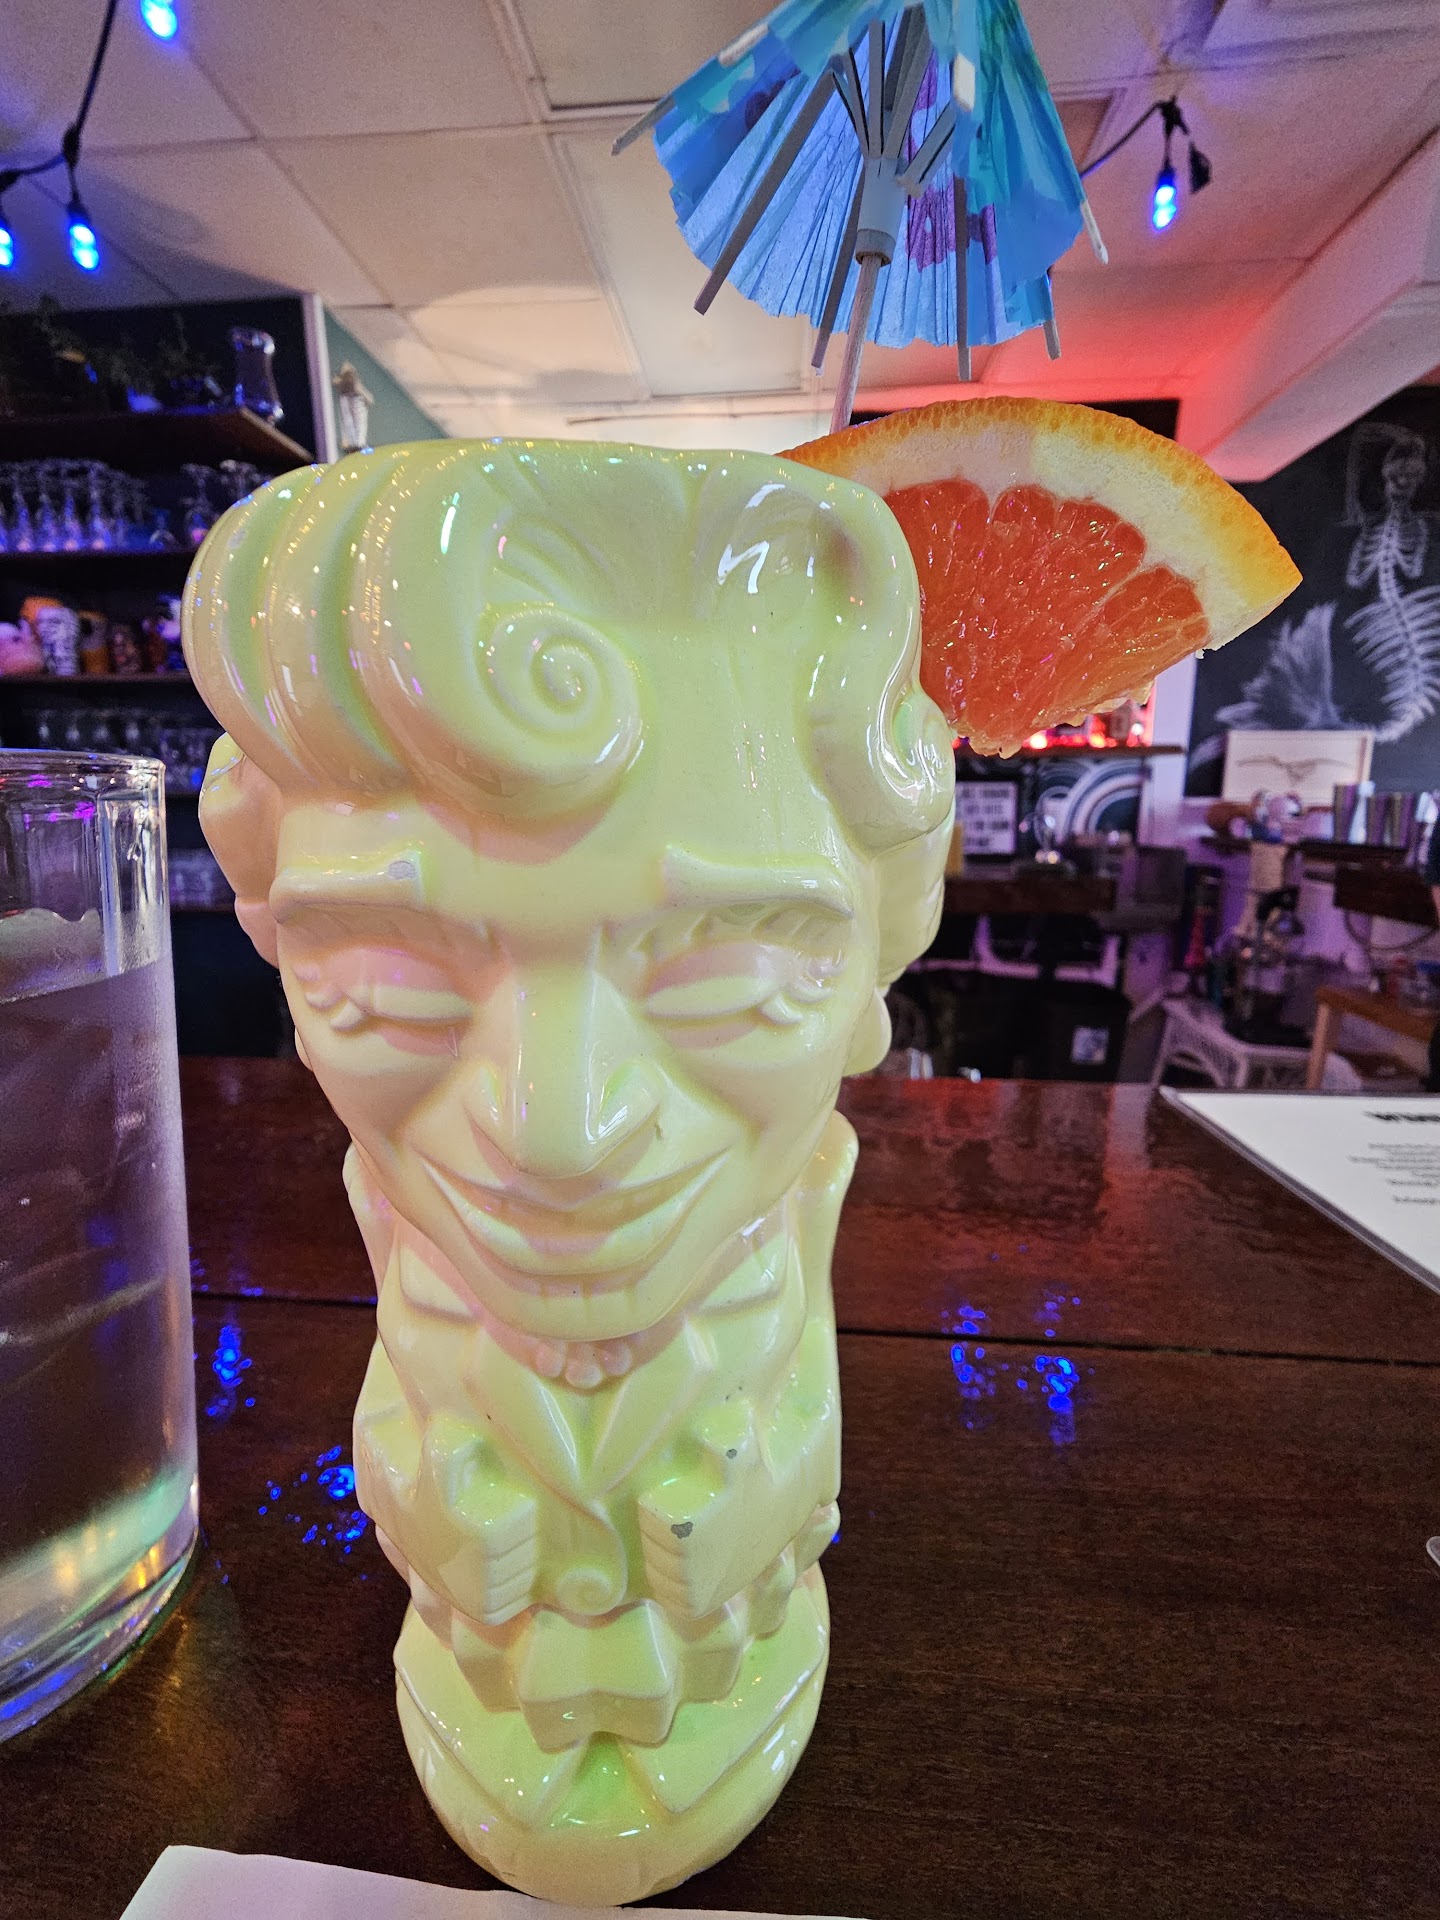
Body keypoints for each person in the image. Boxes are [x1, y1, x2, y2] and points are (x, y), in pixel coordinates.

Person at [183, 438, 953, 1904]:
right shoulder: (405, 1239)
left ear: (876, 974)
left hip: (728, 1644)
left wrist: (760, 1503)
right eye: (386, 988)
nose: (557, 1134)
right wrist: (431, 1505)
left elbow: (800, 1422)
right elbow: (397, 1428)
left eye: (736, 979)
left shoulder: (790, 1225)